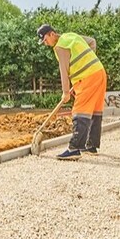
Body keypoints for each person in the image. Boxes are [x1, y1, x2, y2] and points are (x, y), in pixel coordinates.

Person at [37, 24, 108, 160]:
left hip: (87, 77)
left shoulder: (60, 47)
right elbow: (92, 42)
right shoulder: (71, 36)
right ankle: (91, 146)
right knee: (94, 110)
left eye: (45, 39)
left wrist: (65, 92)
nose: (45, 43)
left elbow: (63, 71)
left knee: (79, 111)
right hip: (99, 72)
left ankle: (74, 148)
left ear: (52, 34)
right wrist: (89, 62)